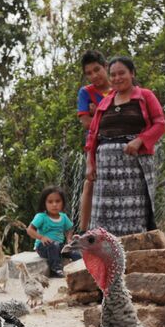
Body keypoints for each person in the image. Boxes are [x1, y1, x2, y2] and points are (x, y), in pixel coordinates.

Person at [82, 56, 165, 236]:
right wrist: (90, 163)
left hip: (134, 168)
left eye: (122, 73)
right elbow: (93, 134)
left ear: (132, 73)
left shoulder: (145, 96)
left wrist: (139, 140)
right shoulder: (105, 102)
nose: (117, 78)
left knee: (134, 217)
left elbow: (160, 124)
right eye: (113, 75)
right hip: (106, 172)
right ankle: (106, 259)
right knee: (104, 219)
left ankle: (134, 256)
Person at [74, 50, 110, 229]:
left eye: (97, 70)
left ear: (105, 66)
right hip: (96, 143)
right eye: (88, 73)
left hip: (123, 143)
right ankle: (83, 229)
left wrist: (97, 112)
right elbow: (86, 123)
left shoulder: (120, 87)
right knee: (90, 183)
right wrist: (105, 117)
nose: (94, 76)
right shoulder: (86, 92)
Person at [27, 187, 77, 277]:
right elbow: (30, 230)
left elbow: (70, 228)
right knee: (54, 246)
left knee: (74, 251)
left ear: (63, 203)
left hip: (59, 246)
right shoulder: (41, 216)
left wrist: (69, 238)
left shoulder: (64, 217)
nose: (54, 205)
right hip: (43, 247)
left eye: (58, 201)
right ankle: (56, 269)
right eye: (50, 202)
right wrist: (41, 237)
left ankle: (82, 266)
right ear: (44, 204)